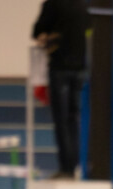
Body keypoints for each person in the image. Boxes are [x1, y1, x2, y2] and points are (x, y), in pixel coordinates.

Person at [32, 0, 92, 179]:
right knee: (75, 118)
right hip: (81, 67)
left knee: (62, 120)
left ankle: (67, 168)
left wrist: (47, 36)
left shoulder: (53, 3)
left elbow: (37, 31)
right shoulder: (86, 4)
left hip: (60, 67)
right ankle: (78, 164)